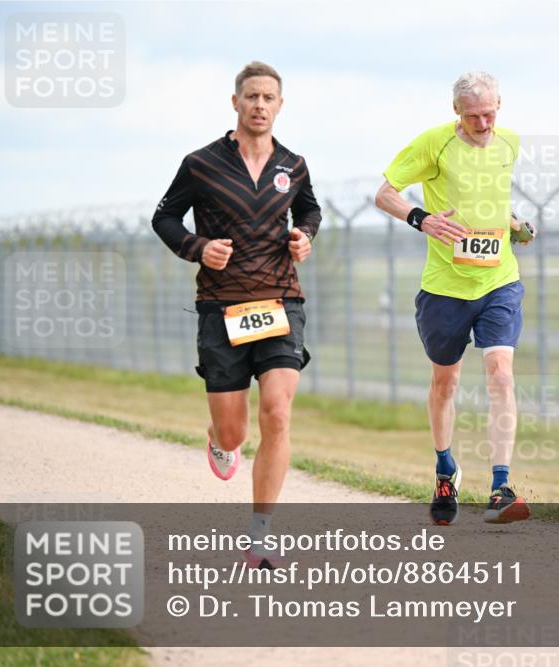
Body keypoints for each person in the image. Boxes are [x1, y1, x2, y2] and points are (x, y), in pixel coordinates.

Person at [152, 61, 320, 566]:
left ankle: (260, 534)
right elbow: (164, 216)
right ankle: (219, 439)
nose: (259, 105)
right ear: (236, 102)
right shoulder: (201, 163)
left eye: (268, 98)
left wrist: (305, 236)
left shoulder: (293, 165)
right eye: (251, 96)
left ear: (280, 105)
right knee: (235, 434)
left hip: (280, 300)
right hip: (221, 305)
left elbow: (309, 210)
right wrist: (198, 248)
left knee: (278, 412)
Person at [375, 70, 537, 526]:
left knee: (501, 374)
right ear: (455, 111)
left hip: (499, 280)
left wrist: (515, 225)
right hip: (445, 288)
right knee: (445, 382)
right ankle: (445, 470)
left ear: (499, 106)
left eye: (488, 114)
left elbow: (490, 199)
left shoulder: (510, 143)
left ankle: (500, 488)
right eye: (472, 117)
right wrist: (422, 219)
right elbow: (385, 194)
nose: (482, 124)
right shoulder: (434, 143)